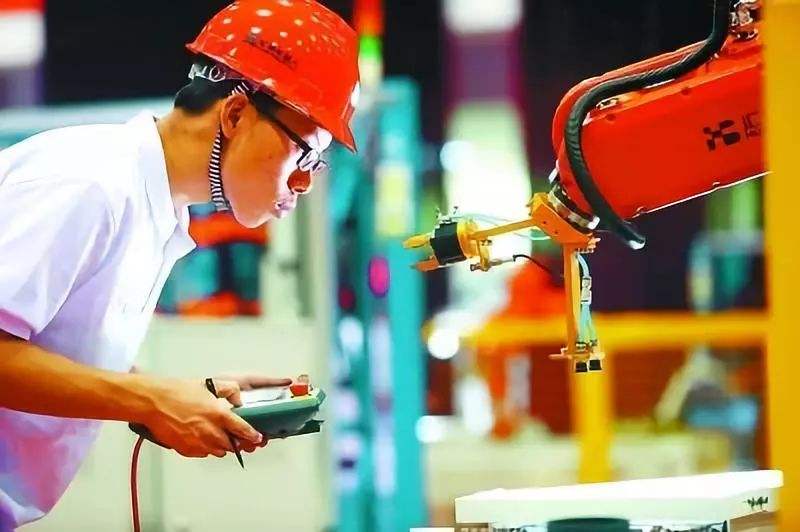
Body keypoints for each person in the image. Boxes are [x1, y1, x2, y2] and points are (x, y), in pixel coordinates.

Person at [0, 0, 359, 528]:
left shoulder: (153, 209)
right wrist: (150, 400)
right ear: (235, 114)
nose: (305, 182)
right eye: (304, 153)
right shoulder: (90, 184)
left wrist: (177, 397)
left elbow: (48, 346)